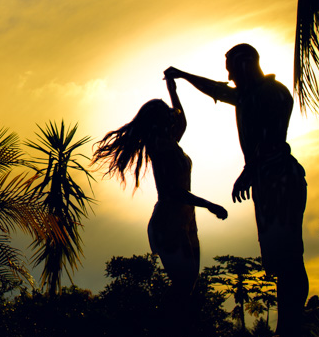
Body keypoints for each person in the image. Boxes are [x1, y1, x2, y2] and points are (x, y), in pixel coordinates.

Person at [164, 43, 309, 337]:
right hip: (266, 181)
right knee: (280, 260)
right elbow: (215, 88)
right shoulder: (246, 96)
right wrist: (182, 76)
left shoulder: (274, 94)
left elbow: (270, 137)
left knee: (290, 258)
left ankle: (293, 329)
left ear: (244, 65)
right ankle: (287, 330)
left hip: (281, 178)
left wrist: (248, 170)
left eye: (231, 66)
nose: (228, 74)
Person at [93, 76, 228, 301]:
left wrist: (172, 88)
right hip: (169, 223)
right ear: (159, 119)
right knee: (183, 285)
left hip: (184, 220)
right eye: (166, 110)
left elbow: (182, 121)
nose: (171, 113)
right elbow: (173, 191)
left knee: (188, 284)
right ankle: (165, 331)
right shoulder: (162, 148)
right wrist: (210, 205)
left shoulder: (171, 143)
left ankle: (175, 333)